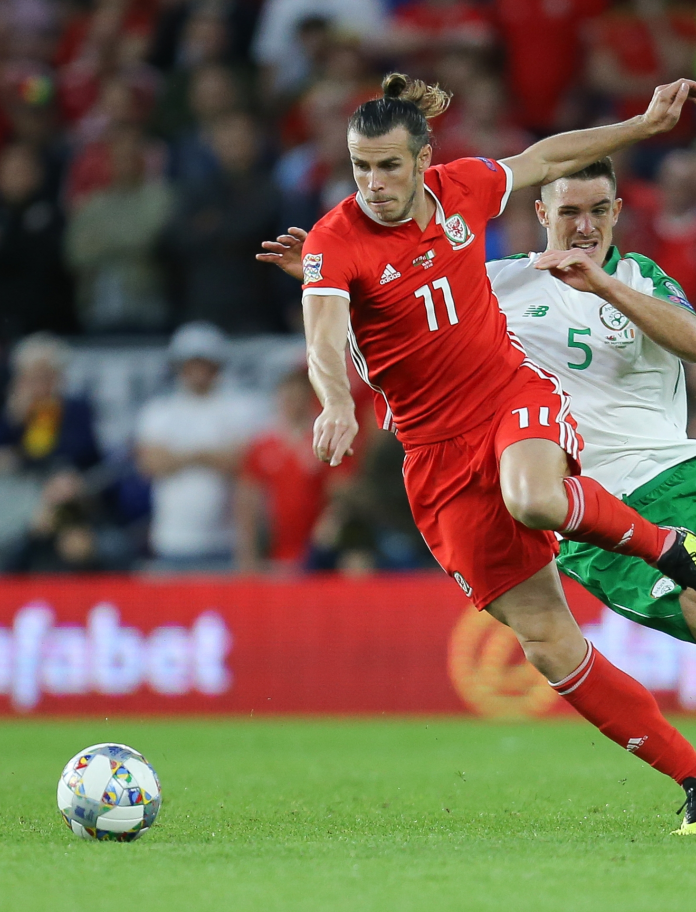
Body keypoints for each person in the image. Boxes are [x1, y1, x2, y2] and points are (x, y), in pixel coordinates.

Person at [256, 72, 696, 833]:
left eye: (389, 165)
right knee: (547, 643)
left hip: (506, 399)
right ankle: (691, 775)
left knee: (533, 494)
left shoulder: (466, 190)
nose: (374, 183)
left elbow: (551, 153)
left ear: (423, 161)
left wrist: (639, 127)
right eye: (360, 166)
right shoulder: (335, 240)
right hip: (434, 457)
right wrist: (332, 402)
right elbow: (323, 337)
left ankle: (673, 549)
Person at [135, 322, 267, 570]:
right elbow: (150, 462)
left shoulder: (242, 408)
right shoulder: (159, 411)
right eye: (190, 363)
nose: (197, 370)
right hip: (172, 541)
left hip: (226, 542)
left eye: (203, 362)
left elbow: (245, 461)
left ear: (217, 364)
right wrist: (210, 455)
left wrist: (182, 457)